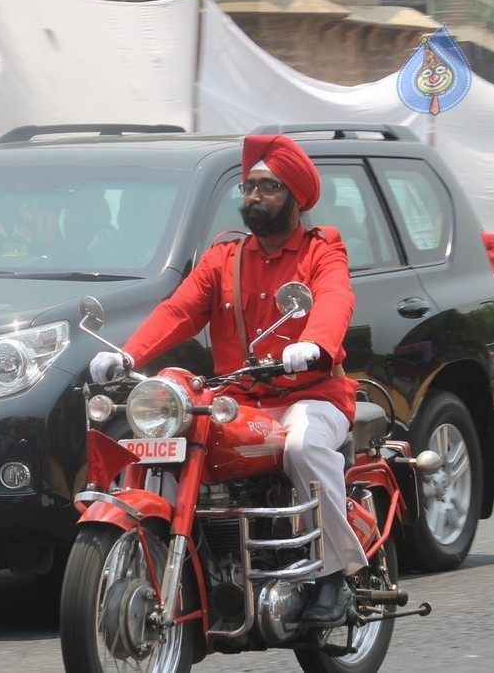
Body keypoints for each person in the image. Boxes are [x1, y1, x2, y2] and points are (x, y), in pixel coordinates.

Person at [90, 134, 368, 627]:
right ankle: (171, 552)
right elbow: (178, 310)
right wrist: (127, 355)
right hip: (240, 400)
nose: (254, 198)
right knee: (174, 436)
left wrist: (316, 344)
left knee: (302, 446)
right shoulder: (225, 259)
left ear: (296, 198)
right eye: (249, 187)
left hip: (311, 394)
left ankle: (333, 576)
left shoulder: (321, 250)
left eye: (268, 188)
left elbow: (334, 297)